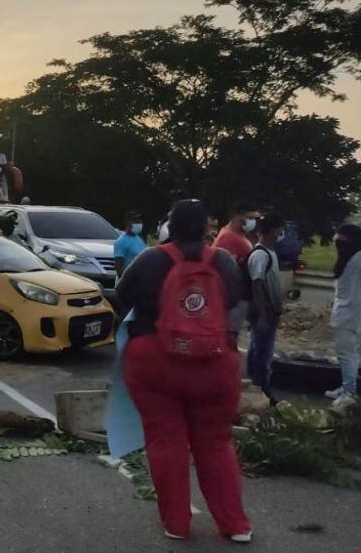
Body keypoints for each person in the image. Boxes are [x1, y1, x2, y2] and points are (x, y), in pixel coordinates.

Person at [116, 199, 250, 542]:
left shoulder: (150, 258)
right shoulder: (222, 260)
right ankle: (235, 526)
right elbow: (234, 300)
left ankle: (177, 523)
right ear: (206, 226)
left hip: (155, 361)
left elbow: (121, 296)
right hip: (214, 362)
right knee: (217, 443)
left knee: (166, 440)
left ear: (170, 225)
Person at [246, 212, 285, 406]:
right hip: (265, 313)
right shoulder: (260, 254)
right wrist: (261, 316)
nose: (281, 233)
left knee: (259, 349)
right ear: (271, 231)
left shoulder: (271, 253)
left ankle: (257, 387)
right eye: (279, 229)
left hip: (271, 312)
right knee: (262, 353)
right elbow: (257, 285)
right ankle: (262, 389)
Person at [213, 202, 258, 343]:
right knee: (229, 337)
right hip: (234, 299)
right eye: (250, 218)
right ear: (237, 216)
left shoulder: (239, 236)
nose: (253, 222)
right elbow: (227, 272)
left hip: (239, 297)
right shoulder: (229, 238)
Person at [328, 224, 361, 407]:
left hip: (349, 314)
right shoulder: (350, 257)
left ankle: (349, 392)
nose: (337, 240)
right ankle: (347, 387)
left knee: (347, 354)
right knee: (351, 354)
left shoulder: (357, 259)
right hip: (349, 313)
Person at [113, 211, 147, 278]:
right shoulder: (121, 241)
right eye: (135, 221)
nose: (139, 224)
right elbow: (118, 267)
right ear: (128, 222)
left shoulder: (139, 239)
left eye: (140, 221)